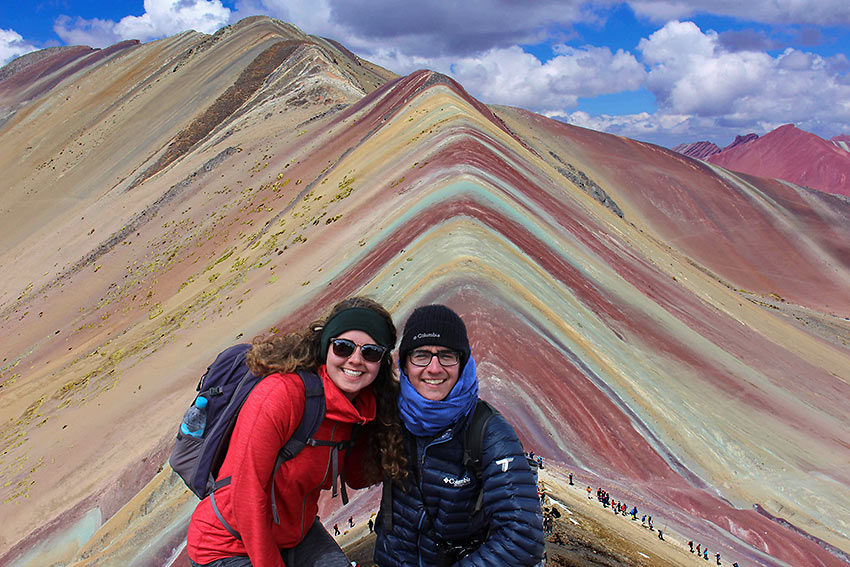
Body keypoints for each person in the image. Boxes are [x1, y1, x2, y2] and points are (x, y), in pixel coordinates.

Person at [187, 297, 405, 567]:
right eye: (343, 347)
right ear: (326, 347)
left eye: (370, 352)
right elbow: (247, 493)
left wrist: (379, 425)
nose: (356, 360)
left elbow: (357, 477)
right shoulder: (283, 394)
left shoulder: (359, 408)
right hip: (228, 544)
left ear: (382, 362)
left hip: (296, 536)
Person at [373, 304, 545, 566]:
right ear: (404, 364)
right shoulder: (388, 417)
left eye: (447, 356)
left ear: (463, 364)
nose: (434, 368)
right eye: (421, 355)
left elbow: (522, 537)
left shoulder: (489, 433)